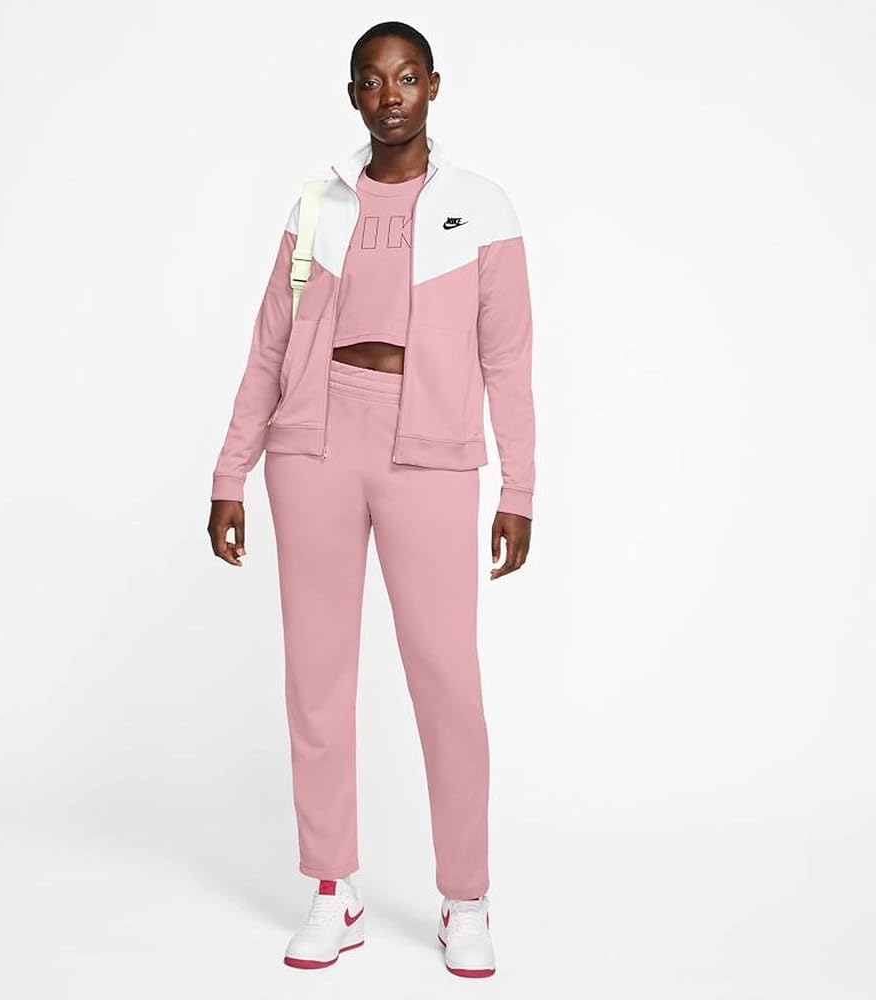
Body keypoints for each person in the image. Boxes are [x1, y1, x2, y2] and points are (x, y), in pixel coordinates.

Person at [206, 21, 535, 979]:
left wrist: (519, 486)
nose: (389, 95)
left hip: (431, 454)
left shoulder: (482, 208)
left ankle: (465, 898)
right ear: (353, 94)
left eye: (406, 78)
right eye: (370, 80)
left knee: (446, 679)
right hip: (311, 446)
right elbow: (269, 344)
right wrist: (229, 471)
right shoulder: (316, 205)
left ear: (433, 86)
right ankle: (332, 889)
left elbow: (509, 359)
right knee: (316, 677)